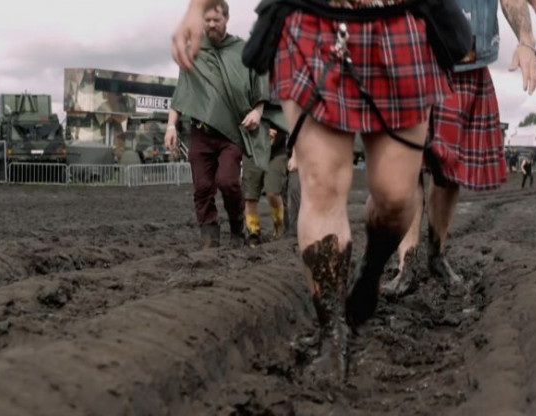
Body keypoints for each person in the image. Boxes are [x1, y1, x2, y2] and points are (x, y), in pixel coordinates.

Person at [173, 0, 458, 382]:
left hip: (399, 19)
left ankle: (372, 268)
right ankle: (333, 330)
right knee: (321, 183)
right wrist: (197, 8)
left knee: (395, 196)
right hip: (313, 17)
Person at [383, 0, 536, 297]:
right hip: (410, 52)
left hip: (463, 55)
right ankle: (407, 264)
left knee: (448, 169)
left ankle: (436, 255)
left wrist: (525, 40)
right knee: (408, 164)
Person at [166, 0, 270, 249]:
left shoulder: (242, 51)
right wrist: (171, 126)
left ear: (226, 19)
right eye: (208, 20)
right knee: (202, 187)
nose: (212, 24)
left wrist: (257, 111)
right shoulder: (194, 51)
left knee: (228, 182)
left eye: (217, 20)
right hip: (200, 132)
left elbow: (260, 85)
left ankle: (237, 227)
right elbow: (182, 92)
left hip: (231, 133)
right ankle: (209, 237)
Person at [243, 124, 289, 247]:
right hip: (252, 149)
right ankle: (253, 231)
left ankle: (279, 225)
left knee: (272, 192)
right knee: (250, 196)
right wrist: (261, 132)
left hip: (277, 151)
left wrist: (277, 132)